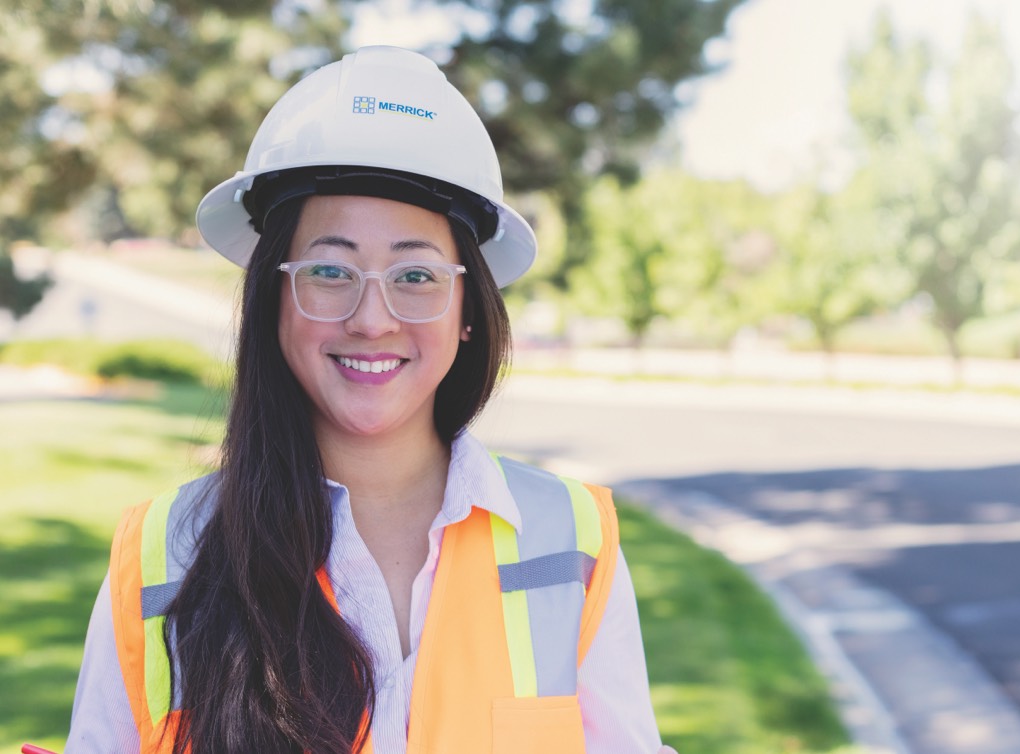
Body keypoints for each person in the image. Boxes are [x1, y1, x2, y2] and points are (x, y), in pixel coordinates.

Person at [66, 45, 669, 753]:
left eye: (415, 275)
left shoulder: (573, 543)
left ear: (467, 309)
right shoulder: (162, 559)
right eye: (331, 270)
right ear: (274, 301)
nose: (372, 318)